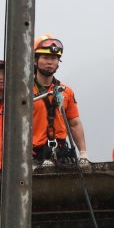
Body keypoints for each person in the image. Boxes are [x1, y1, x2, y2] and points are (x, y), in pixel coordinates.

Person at [32, 34, 88, 164]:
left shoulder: (66, 91)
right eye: (45, 57)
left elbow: (74, 123)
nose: (50, 62)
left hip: (61, 152)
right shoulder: (25, 92)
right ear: (35, 60)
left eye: (54, 58)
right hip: (34, 154)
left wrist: (83, 153)